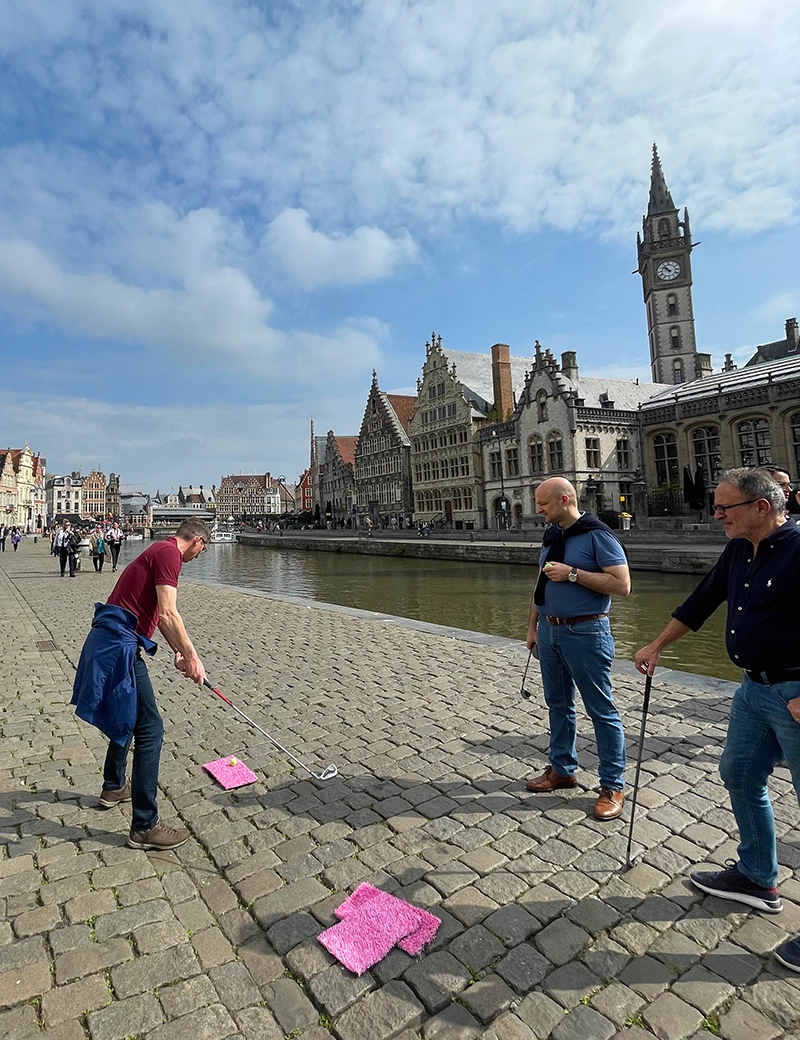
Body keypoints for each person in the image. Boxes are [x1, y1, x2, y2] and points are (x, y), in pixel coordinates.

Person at [635, 468, 800, 974]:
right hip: (752, 689)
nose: (717, 515)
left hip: (795, 693)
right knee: (740, 774)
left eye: (725, 508)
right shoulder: (736, 550)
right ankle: (756, 875)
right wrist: (658, 644)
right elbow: (704, 600)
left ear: (761, 507)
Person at [71, 518, 210, 851]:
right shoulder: (169, 554)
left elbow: (156, 615)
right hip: (119, 645)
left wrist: (177, 649)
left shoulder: (158, 551)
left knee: (130, 717)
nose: (197, 558)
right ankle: (145, 824)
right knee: (151, 729)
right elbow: (168, 613)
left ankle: (114, 785)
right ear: (196, 541)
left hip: (112, 640)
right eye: (201, 552)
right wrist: (192, 656)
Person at [525, 477, 631, 820]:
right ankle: (562, 769)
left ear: (565, 499)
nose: (538, 509)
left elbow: (622, 585)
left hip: (586, 631)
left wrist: (573, 574)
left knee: (601, 710)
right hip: (550, 631)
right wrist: (532, 627)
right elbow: (540, 582)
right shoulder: (552, 534)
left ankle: (613, 785)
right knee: (558, 704)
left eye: (543, 503)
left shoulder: (597, 534)